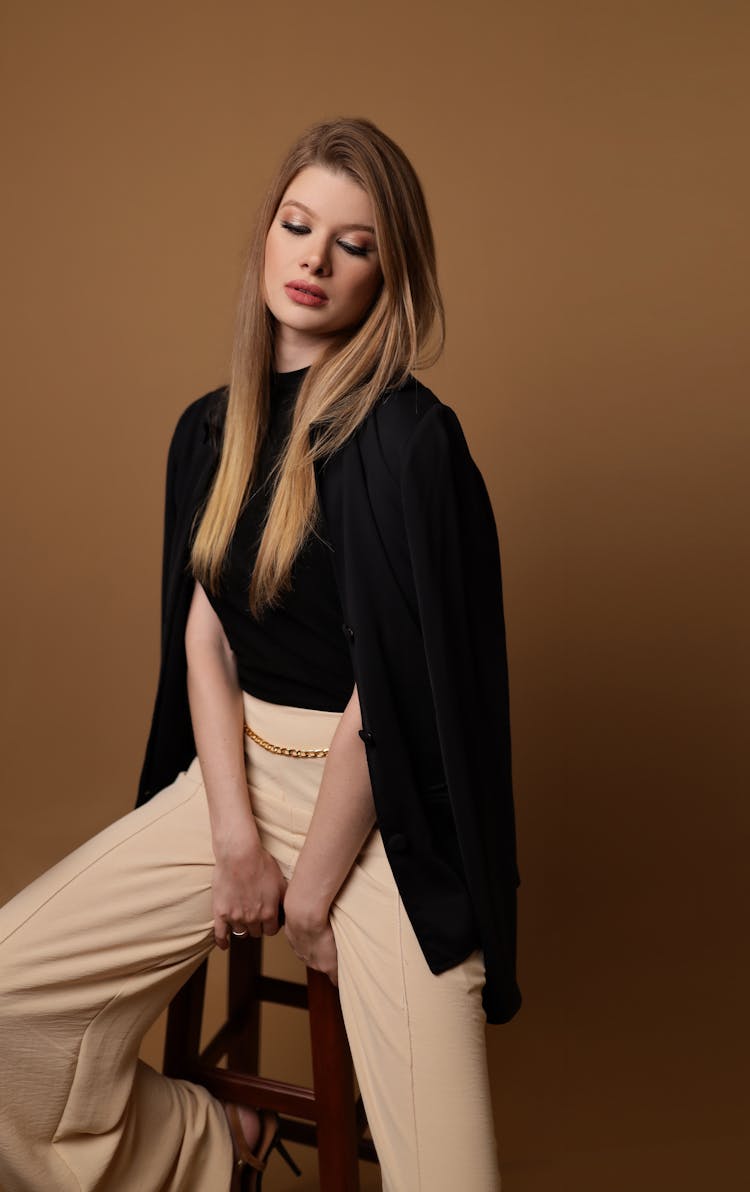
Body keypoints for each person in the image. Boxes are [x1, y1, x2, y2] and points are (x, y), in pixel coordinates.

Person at [0, 117, 520, 1191]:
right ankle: (201, 1146)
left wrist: (313, 890)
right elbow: (203, 638)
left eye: (355, 242)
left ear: (390, 273)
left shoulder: (413, 444)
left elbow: (399, 693)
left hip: (382, 821)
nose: (316, 259)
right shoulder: (208, 431)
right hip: (233, 779)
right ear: (267, 238)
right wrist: (236, 837)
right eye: (298, 225)